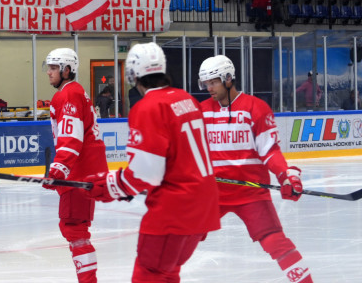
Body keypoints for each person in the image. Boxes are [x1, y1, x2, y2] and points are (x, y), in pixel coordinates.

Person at [86, 43, 220, 282]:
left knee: (150, 275)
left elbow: (146, 173)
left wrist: (109, 186)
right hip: (203, 210)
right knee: (168, 274)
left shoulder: (148, 107)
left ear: (133, 74)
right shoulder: (186, 99)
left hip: (173, 213)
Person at [198, 55, 312, 283]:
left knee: (274, 240)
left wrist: (285, 176)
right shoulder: (200, 111)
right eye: (206, 83)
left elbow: (269, 151)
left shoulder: (255, 108)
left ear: (228, 79)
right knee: (180, 237)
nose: (209, 88)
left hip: (251, 193)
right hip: (212, 193)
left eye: (214, 82)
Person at [43, 48, 108, 283]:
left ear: (66, 70)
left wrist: (60, 169)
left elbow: (72, 137)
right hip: (86, 170)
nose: (48, 72)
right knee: (76, 227)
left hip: (78, 173)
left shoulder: (68, 94)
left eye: (53, 68)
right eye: (48, 67)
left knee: (73, 227)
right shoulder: (75, 92)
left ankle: (88, 280)